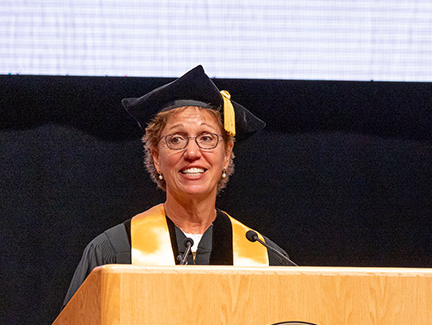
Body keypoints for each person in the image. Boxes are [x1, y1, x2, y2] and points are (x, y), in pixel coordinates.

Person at [63, 65, 293, 306]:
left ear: (226, 155)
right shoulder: (113, 251)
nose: (192, 152)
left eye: (206, 138)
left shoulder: (265, 257)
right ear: (156, 157)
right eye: (176, 139)